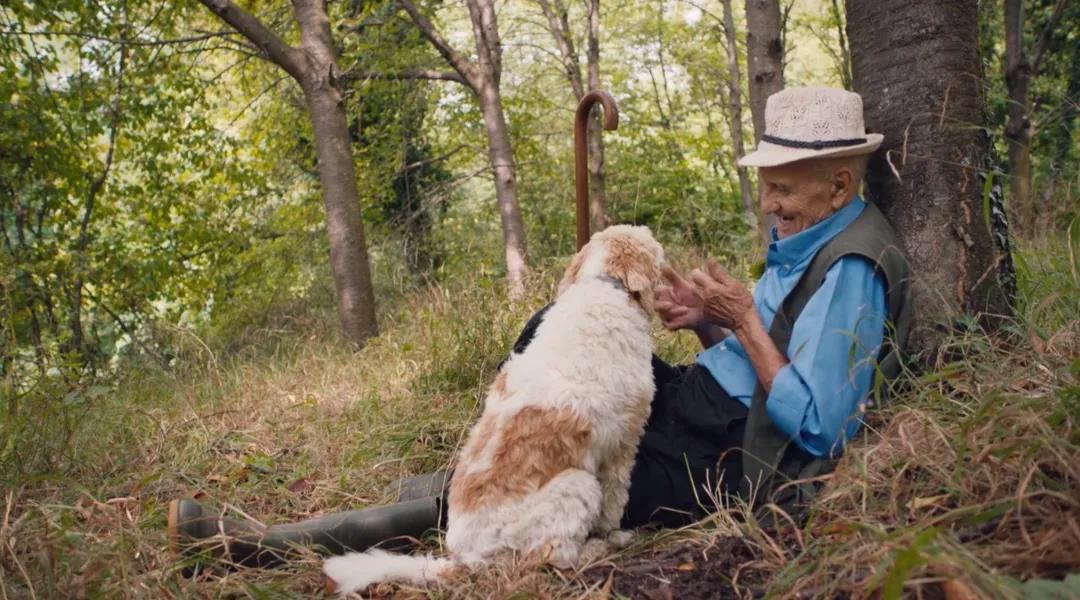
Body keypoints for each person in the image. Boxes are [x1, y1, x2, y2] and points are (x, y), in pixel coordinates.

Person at [169, 87, 911, 567]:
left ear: (839, 183)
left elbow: (819, 427)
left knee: (541, 473)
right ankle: (444, 489)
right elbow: (762, 356)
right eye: (768, 187)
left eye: (781, 188)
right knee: (549, 326)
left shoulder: (851, 271)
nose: (770, 204)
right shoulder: (812, 231)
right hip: (701, 404)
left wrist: (742, 318)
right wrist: (705, 327)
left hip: (728, 456)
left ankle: (251, 545)